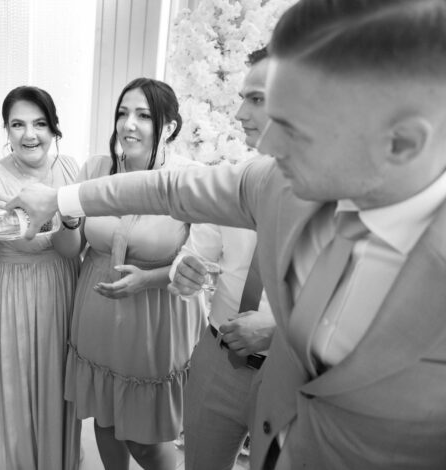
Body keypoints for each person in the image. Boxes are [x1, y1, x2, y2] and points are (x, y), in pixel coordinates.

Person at [7, 1, 446, 468]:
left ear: (403, 140)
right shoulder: (275, 178)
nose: (267, 143)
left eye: (296, 128)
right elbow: (170, 188)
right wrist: (61, 200)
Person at [51, 78, 204, 470]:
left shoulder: (190, 179)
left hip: (155, 317)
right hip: (97, 311)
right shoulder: (96, 169)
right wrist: (67, 220)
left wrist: (147, 279)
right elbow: (69, 249)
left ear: (169, 127)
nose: (128, 124)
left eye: (143, 115)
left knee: (147, 439)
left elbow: (201, 263)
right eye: (122, 113)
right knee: (105, 418)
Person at [0, 85, 81, 470]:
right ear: (6, 130)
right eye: (18, 124)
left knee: (58, 380)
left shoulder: (70, 170)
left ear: (54, 127)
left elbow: (72, 248)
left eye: (40, 124)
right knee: (15, 384)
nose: (30, 134)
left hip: (63, 285)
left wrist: (69, 220)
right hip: (13, 290)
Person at [174, 46, 276, 470]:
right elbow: (193, 255)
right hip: (216, 361)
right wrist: (183, 271)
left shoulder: (345, 200)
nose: (238, 114)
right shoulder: (233, 181)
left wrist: (278, 330)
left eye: (256, 99)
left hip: (289, 375)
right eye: (241, 98)